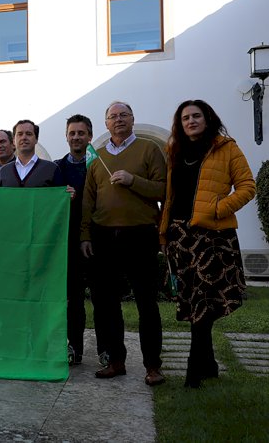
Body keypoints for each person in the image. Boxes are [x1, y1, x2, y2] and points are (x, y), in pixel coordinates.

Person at [160, 100, 255, 388]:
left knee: (204, 301)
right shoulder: (174, 151)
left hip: (212, 237)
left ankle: (194, 370)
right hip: (181, 235)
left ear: (207, 118)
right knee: (192, 300)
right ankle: (209, 363)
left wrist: (216, 209)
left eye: (196, 116)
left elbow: (248, 186)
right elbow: (171, 195)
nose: (191, 121)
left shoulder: (226, 148)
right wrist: (163, 232)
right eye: (185, 117)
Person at [80, 101, 167, 386]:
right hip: (104, 235)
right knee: (106, 304)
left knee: (146, 303)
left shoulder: (149, 150)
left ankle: (153, 365)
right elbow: (88, 200)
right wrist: (85, 235)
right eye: (112, 116)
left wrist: (133, 180)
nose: (118, 120)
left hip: (139, 234)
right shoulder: (97, 157)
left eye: (123, 115)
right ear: (105, 124)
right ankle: (116, 360)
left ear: (133, 119)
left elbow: (163, 188)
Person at [54, 114, 103, 366]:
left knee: (102, 298)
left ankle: (106, 350)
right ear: (66, 136)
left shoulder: (100, 165)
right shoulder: (56, 168)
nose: (76, 137)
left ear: (90, 136)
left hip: (98, 240)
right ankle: (74, 348)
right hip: (68, 243)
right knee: (73, 300)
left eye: (81, 133)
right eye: (72, 133)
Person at [0, 120, 64, 188]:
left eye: (28, 134)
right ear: (14, 140)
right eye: (20, 134)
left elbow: (60, 197)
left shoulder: (51, 169)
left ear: (36, 139)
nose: (24, 137)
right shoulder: (3, 172)